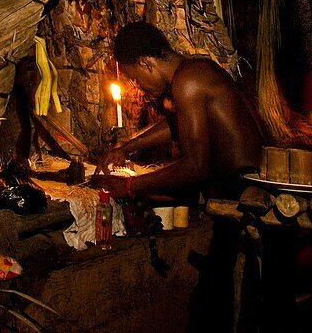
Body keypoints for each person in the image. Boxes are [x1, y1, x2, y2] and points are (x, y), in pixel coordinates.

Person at [90, 21, 263, 200]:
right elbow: (179, 123)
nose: (139, 87)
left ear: (146, 64)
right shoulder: (196, 70)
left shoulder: (188, 82)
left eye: (135, 78)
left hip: (246, 190)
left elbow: (196, 166)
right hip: (241, 185)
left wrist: (128, 185)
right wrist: (127, 146)